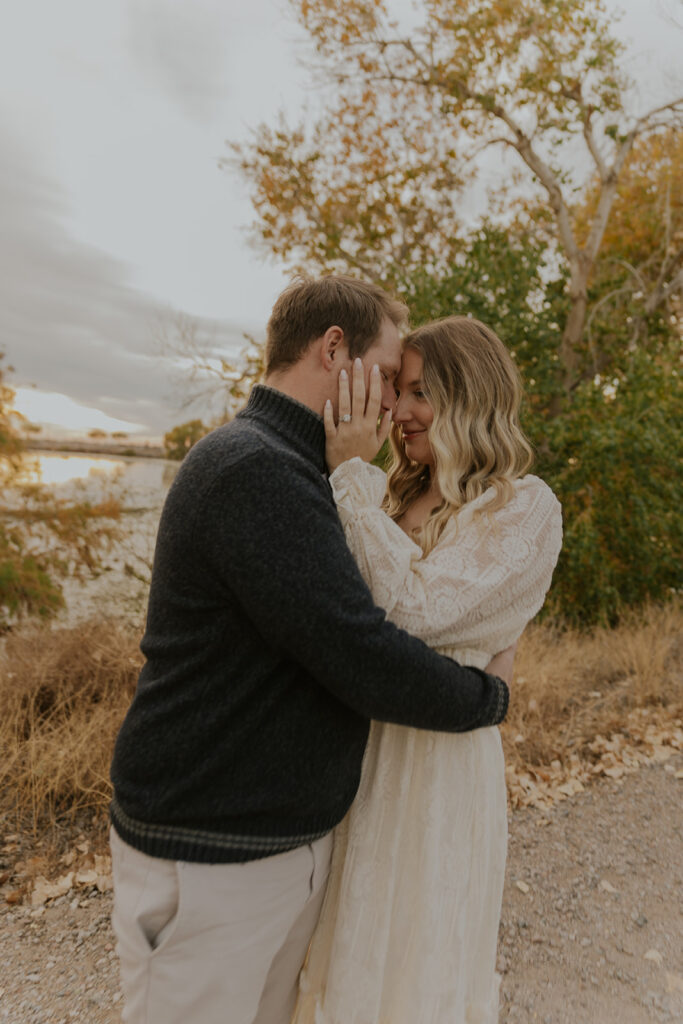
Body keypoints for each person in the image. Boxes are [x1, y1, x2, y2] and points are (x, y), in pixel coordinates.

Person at [108, 277, 512, 1024]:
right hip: (212, 855)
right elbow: (357, 650)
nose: (393, 405)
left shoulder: (303, 471)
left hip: (273, 846)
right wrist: (487, 698)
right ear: (334, 349)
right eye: (389, 376)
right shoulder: (254, 468)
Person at [292, 315, 563, 1024]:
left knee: (412, 960)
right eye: (396, 390)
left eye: (417, 392)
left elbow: (414, 609)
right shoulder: (391, 494)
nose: (397, 411)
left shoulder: (523, 507)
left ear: (467, 394)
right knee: (340, 948)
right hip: (355, 755)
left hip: (437, 767)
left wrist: (347, 469)